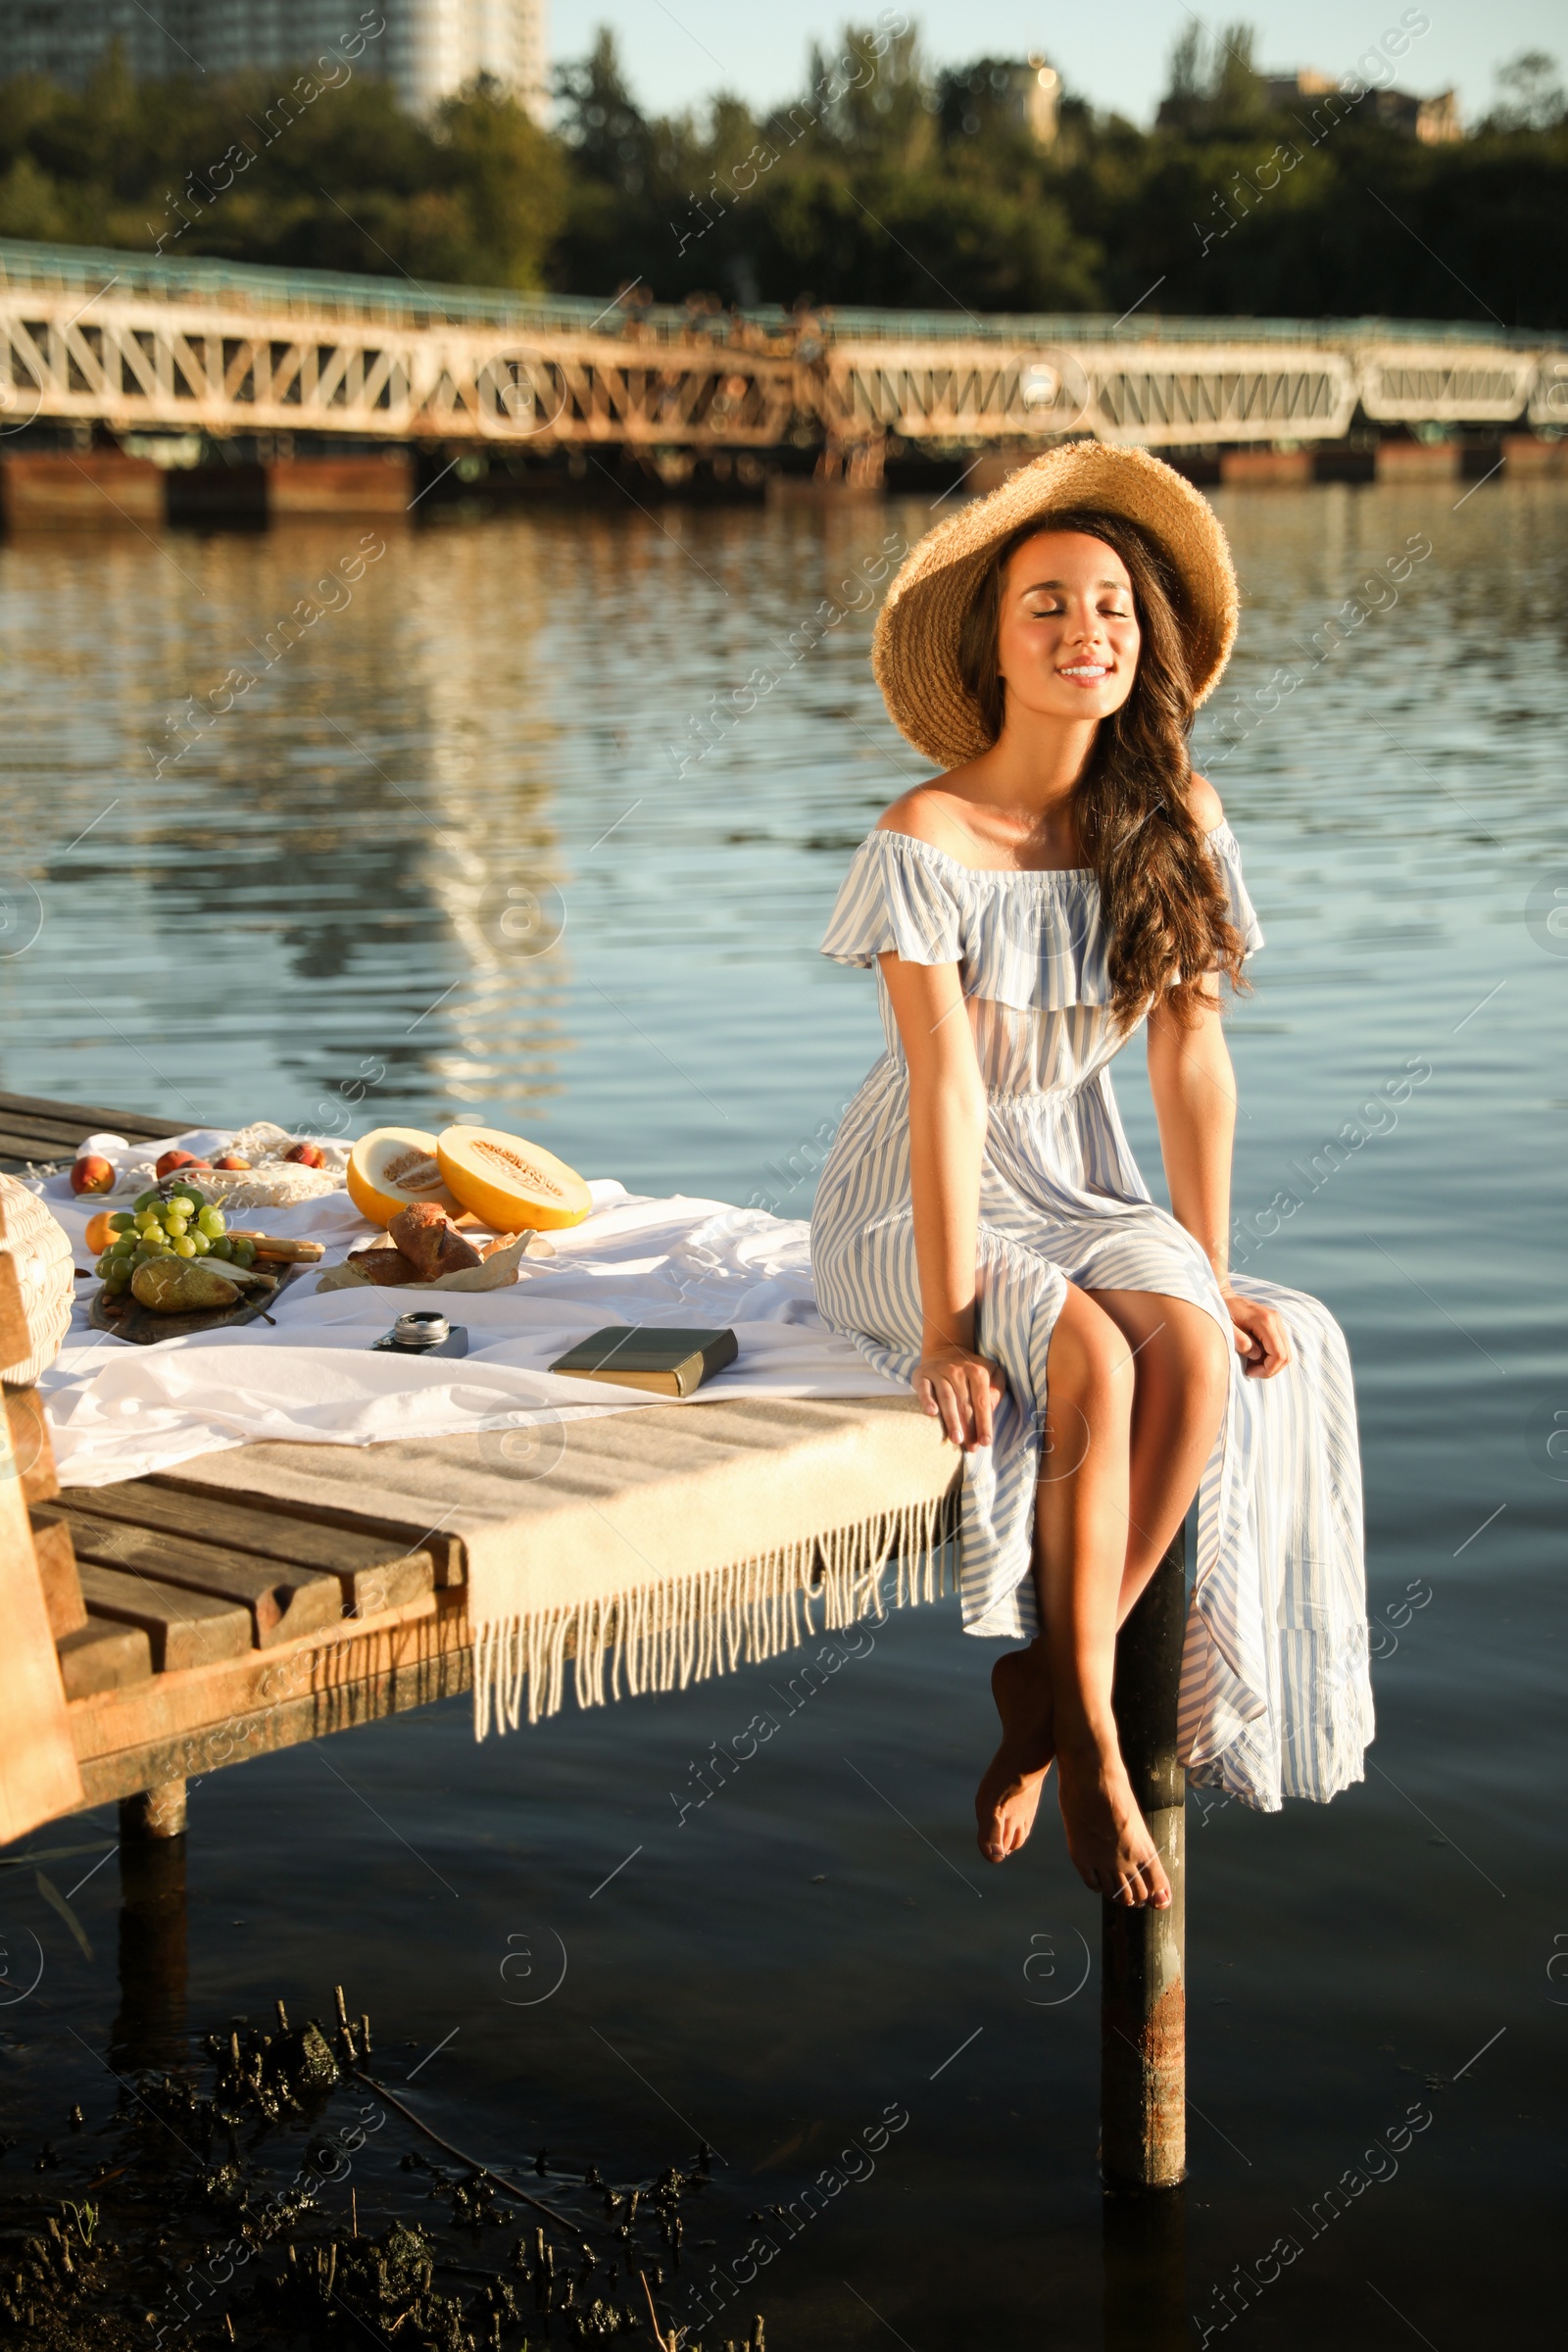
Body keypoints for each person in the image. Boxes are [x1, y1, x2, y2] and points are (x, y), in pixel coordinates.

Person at [810, 444, 1371, 1908]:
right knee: (1092, 1370)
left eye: (1111, 604)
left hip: (1078, 1168)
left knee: (1185, 1346)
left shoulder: (1175, 812)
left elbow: (1193, 1059)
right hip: (908, 1190)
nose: (1086, 631)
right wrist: (944, 1324)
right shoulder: (923, 837)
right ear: (993, 644)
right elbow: (941, 1089)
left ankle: (1045, 1701)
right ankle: (1099, 1747)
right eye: (1046, 604)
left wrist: (1211, 1260)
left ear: (1147, 636)